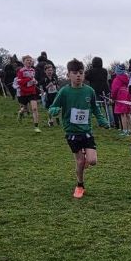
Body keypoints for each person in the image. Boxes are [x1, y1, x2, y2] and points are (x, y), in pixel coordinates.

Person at [48, 58, 110, 199]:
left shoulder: (89, 91)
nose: (78, 76)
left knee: (92, 161)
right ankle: (80, 185)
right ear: (68, 75)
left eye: (81, 73)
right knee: (80, 161)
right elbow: (52, 107)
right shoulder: (64, 91)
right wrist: (54, 110)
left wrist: (102, 120)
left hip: (86, 131)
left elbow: (95, 108)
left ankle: (86, 157)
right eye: (75, 73)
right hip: (71, 132)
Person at [16, 55, 41, 132]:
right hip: (23, 93)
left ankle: (36, 127)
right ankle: (20, 113)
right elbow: (19, 82)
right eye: (27, 60)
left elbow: (34, 79)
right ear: (23, 62)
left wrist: (35, 82)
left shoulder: (33, 70)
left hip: (32, 92)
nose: (29, 62)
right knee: (24, 109)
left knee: (34, 109)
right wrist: (28, 79)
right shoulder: (21, 71)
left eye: (30, 60)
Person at [110, 64, 131, 136]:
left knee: (123, 114)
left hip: (120, 97)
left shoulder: (117, 79)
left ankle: (125, 130)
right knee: (128, 113)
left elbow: (114, 90)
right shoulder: (127, 78)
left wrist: (113, 98)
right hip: (127, 96)